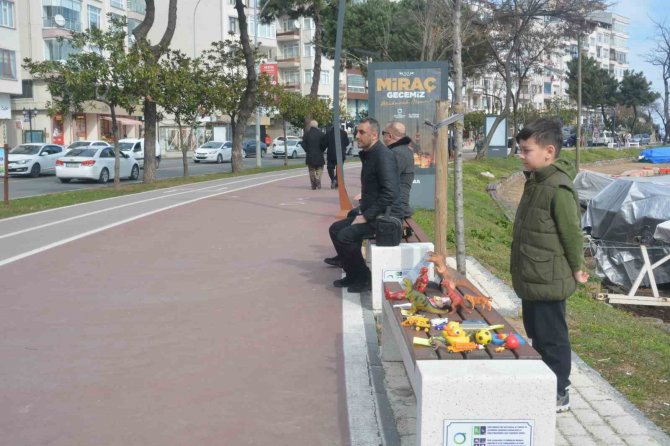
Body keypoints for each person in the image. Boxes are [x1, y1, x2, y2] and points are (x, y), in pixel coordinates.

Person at [511, 118, 589, 413]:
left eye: (526, 150)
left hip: (549, 277)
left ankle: (559, 391)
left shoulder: (558, 188)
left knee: (552, 338)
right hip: (533, 274)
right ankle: (542, 384)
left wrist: (577, 267)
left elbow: (571, 233)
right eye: (520, 149)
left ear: (549, 151)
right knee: (537, 333)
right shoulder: (535, 182)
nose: (521, 155)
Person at [325, 118, 401, 293]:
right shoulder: (371, 154)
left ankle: (364, 278)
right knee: (335, 229)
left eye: (361, 132)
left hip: (385, 217)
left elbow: (390, 193)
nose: (356, 136)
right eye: (357, 132)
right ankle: (353, 274)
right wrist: (362, 208)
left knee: (345, 235)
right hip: (374, 212)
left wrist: (366, 216)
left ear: (374, 135)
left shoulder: (382, 155)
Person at [381, 121, 414, 217]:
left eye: (383, 133)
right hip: (394, 207)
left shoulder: (397, 152)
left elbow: (385, 181)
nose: (382, 136)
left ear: (389, 136)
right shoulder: (403, 150)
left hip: (394, 210)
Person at [302, 120, 326, 189]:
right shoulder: (321, 134)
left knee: (311, 170)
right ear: (317, 126)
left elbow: (303, 144)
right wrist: (322, 149)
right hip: (319, 155)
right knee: (320, 168)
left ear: (310, 126)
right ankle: (318, 178)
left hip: (310, 155)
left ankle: (313, 184)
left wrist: (307, 150)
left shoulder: (307, 134)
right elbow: (324, 144)